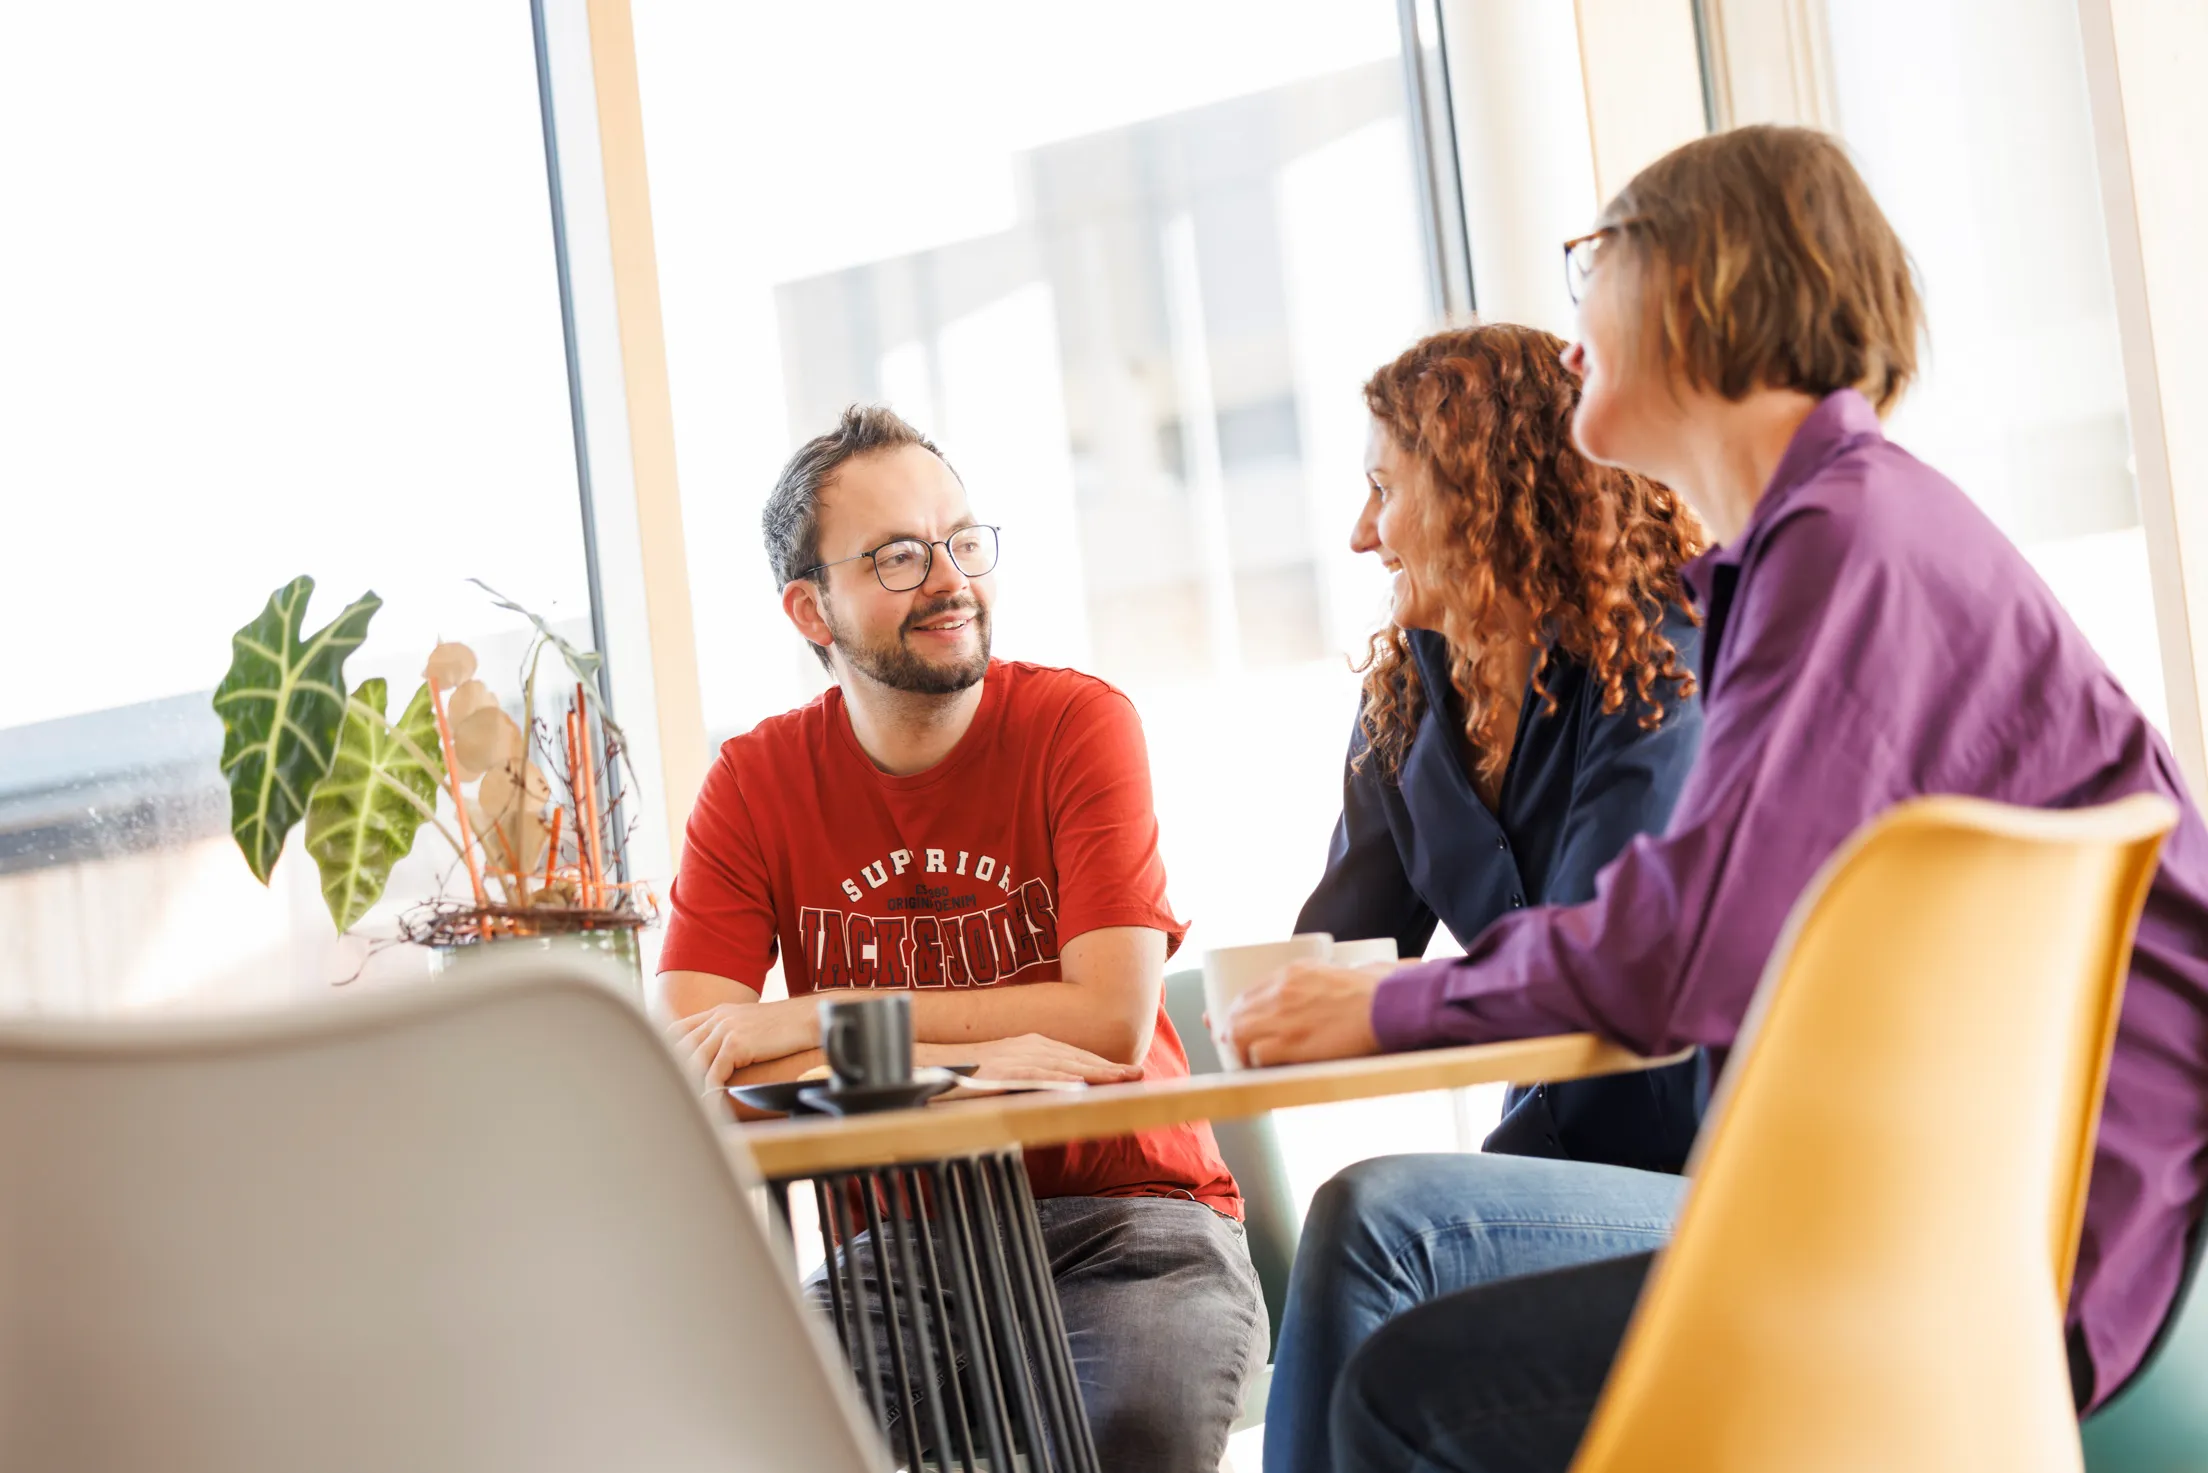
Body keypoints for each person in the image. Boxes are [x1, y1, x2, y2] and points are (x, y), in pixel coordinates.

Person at [1226, 123, 2208, 1473]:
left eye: (1595, 263)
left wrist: (1392, 1007)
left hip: (1990, 1240)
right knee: (1403, 1344)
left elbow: (1694, 943)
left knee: (1406, 1384)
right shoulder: (1849, 532)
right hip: (1997, 1204)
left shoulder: (1843, 550)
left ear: (1698, 288)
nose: (1573, 316)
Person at [659, 406, 1266, 1473]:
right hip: (905, 1250)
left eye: (962, 541)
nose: (949, 580)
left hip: (1133, 1221)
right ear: (809, 607)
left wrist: (818, 1023)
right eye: (898, 557)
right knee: (741, 1443)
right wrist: (978, 1060)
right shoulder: (753, 784)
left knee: (1121, 1441)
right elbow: (702, 1055)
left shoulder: (1078, 724)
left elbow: (1108, 1022)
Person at [1298, 322, 1708, 1179]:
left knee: (1372, 1212)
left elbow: (1599, 948)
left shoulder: (1657, 662)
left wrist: (1370, 1003)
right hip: (1544, 1166)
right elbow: (1341, 952)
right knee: (1376, 1226)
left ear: (1478, 492)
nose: (1362, 534)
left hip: (1710, 1172)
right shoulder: (1404, 701)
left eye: (1383, 489)